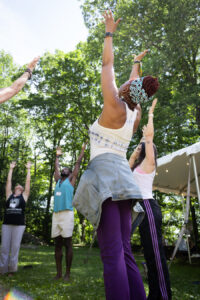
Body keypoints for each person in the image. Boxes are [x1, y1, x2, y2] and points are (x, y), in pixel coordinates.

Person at [73, 10, 159, 300]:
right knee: (124, 252)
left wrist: (109, 33)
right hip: (124, 182)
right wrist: (137, 64)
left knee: (111, 256)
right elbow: (134, 84)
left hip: (107, 180)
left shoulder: (114, 103)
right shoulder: (133, 115)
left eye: (126, 81)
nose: (122, 81)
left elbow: (107, 63)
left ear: (125, 89)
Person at [129, 99, 172, 300]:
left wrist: (151, 115)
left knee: (156, 256)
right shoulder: (137, 166)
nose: (145, 146)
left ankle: (163, 296)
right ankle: (154, 294)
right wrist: (135, 151)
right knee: (149, 255)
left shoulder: (149, 165)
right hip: (139, 210)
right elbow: (125, 169)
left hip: (148, 207)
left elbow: (150, 138)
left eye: (147, 146)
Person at [52, 144, 86, 281]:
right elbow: (56, 167)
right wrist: (57, 156)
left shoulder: (72, 179)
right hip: (56, 214)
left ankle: (67, 273)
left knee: (68, 243)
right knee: (57, 244)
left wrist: (82, 151)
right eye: (63, 168)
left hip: (67, 213)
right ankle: (59, 273)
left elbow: (77, 164)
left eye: (67, 168)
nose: (64, 169)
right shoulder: (58, 180)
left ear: (71, 172)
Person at [0, 161, 31, 276]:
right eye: (16, 186)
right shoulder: (9, 195)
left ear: (22, 190)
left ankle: (12, 270)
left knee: (15, 247)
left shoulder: (24, 196)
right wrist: (11, 169)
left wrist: (28, 169)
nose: (18, 186)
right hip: (7, 224)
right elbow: (8, 182)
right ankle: (2, 269)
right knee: (4, 247)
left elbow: (28, 183)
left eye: (20, 186)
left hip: (19, 225)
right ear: (14, 189)